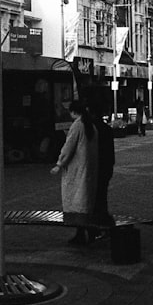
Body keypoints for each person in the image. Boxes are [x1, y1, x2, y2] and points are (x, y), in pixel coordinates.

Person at [51, 99, 98, 245]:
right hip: (89, 169)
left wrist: (59, 164)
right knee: (86, 203)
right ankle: (89, 233)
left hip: (76, 170)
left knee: (76, 203)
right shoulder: (91, 126)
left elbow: (68, 147)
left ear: (73, 112)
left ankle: (81, 233)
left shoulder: (77, 126)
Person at [91, 107, 115, 230]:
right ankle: (104, 220)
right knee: (102, 195)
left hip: (95, 166)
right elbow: (111, 152)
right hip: (106, 166)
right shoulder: (107, 129)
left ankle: (98, 223)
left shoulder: (92, 129)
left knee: (94, 197)